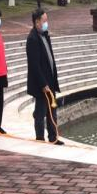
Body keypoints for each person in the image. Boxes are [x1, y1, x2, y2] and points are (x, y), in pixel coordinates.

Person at [26, 8, 64, 145]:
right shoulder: (32, 39)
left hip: (50, 81)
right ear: (37, 22)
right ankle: (40, 138)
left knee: (52, 110)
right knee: (40, 112)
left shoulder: (45, 35)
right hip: (41, 84)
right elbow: (35, 65)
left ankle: (53, 137)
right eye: (44, 21)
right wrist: (43, 84)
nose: (46, 23)